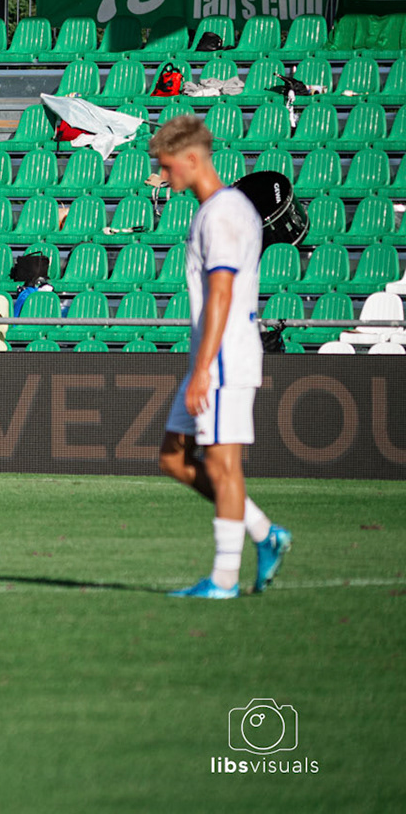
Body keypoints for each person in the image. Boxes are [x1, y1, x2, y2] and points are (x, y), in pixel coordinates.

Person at [149, 115, 291, 598]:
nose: (163, 177)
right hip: (211, 357)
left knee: (223, 465)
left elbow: (222, 294)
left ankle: (225, 580)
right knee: (173, 458)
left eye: (167, 167)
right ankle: (264, 532)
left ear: (192, 159)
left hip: (224, 357)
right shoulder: (213, 209)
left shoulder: (225, 213)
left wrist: (204, 368)